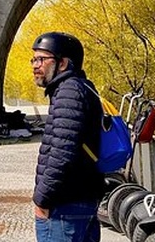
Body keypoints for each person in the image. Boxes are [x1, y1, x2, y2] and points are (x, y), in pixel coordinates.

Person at [31, 32, 104, 242]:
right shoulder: (80, 87)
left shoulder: (68, 91)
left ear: (62, 63)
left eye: (42, 59)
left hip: (65, 206)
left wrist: (42, 198)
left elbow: (62, 151)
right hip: (80, 201)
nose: (35, 65)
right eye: (34, 60)